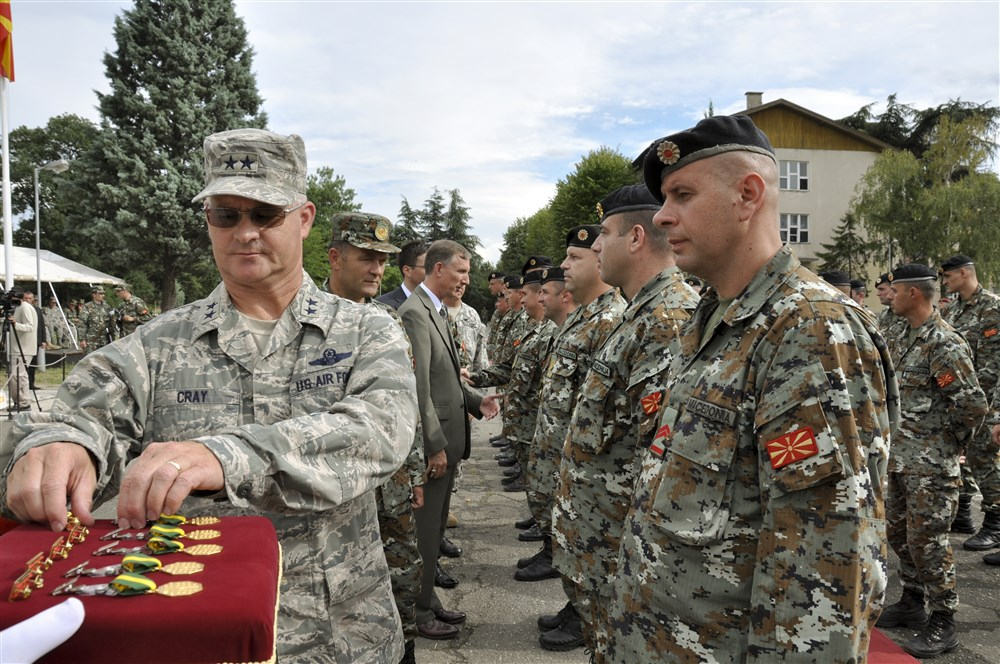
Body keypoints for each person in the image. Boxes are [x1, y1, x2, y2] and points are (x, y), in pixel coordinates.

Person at [1, 128, 418, 663]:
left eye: (265, 214)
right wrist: (63, 446)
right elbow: (85, 414)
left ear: (305, 218)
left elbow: (380, 431)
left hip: (344, 636)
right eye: (227, 215)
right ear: (208, 223)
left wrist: (224, 454)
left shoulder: (366, 329)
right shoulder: (158, 343)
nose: (245, 232)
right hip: (196, 637)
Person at [608, 114, 899, 663]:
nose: (665, 216)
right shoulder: (714, 320)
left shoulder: (810, 329)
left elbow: (825, 570)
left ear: (748, 195)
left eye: (682, 194)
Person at [553, 184, 699, 660]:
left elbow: (656, 459)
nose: (595, 247)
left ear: (635, 238)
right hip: (601, 541)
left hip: (620, 548)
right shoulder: (639, 313)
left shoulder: (668, 318)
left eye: (604, 235)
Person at [326, 211, 425, 664]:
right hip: (338, 491)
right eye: (366, 258)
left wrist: (418, 470)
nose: (377, 269)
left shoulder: (387, 319)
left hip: (394, 483)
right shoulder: (309, 324)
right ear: (335, 258)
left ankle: (403, 650)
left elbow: (407, 404)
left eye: (382, 260)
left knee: (402, 571)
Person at [876, 263, 986, 657]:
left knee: (929, 542)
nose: (889, 294)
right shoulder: (903, 334)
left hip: (931, 465)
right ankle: (912, 602)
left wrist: (948, 445)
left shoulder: (944, 342)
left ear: (914, 294)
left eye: (896, 289)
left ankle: (945, 619)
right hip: (900, 460)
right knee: (900, 536)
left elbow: (972, 405)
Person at [398, 239, 501, 641]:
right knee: (425, 533)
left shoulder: (435, 310)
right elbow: (419, 388)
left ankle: (430, 599)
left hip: (449, 441)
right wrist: (434, 444)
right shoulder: (415, 314)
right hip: (436, 447)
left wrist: (476, 401)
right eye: (461, 271)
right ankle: (420, 611)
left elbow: (447, 379)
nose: (466, 280)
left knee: (437, 528)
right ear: (437, 270)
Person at [534, 225, 626, 653]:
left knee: (592, 560)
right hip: (568, 462)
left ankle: (583, 615)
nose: (565, 265)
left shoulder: (611, 320)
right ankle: (577, 608)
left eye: (575, 256)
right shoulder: (587, 317)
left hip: (601, 482)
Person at [938, 254, 1000, 553]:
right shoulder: (953, 312)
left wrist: (996, 410)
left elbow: (996, 364)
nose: (945, 282)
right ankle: (963, 516)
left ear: (964, 273)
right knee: (963, 459)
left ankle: (996, 522)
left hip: (987, 401)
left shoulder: (993, 307)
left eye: (948, 277)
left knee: (984, 461)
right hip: (961, 401)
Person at [5, 289, 37, 411]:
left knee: (19, 376)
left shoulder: (25, 307)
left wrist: (15, 324)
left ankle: (24, 403)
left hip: (23, 348)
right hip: (15, 348)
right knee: (13, 377)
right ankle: (18, 402)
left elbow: (30, 327)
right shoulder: (16, 308)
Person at [377, 240, 428, 310]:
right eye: (428, 267)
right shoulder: (382, 306)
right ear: (407, 270)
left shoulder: (436, 305)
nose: (433, 272)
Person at [22, 292, 47, 391]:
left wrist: (43, 340)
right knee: (24, 364)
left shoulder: (37, 310)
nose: (28, 300)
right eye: (26, 298)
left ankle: (31, 383)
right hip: (24, 341)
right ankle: (24, 384)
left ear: (33, 299)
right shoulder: (20, 309)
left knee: (33, 363)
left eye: (30, 298)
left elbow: (41, 325)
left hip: (35, 340)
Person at [78, 286, 112, 352]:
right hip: (91, 340)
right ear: (94, 295)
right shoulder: (87, 307)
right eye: (100, 294)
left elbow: (111, 323)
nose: (102, 295)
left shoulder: (107, 307)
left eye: (103, 294)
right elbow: (82, 323)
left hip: (104, 340)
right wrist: (82, 339)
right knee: (91, 360)